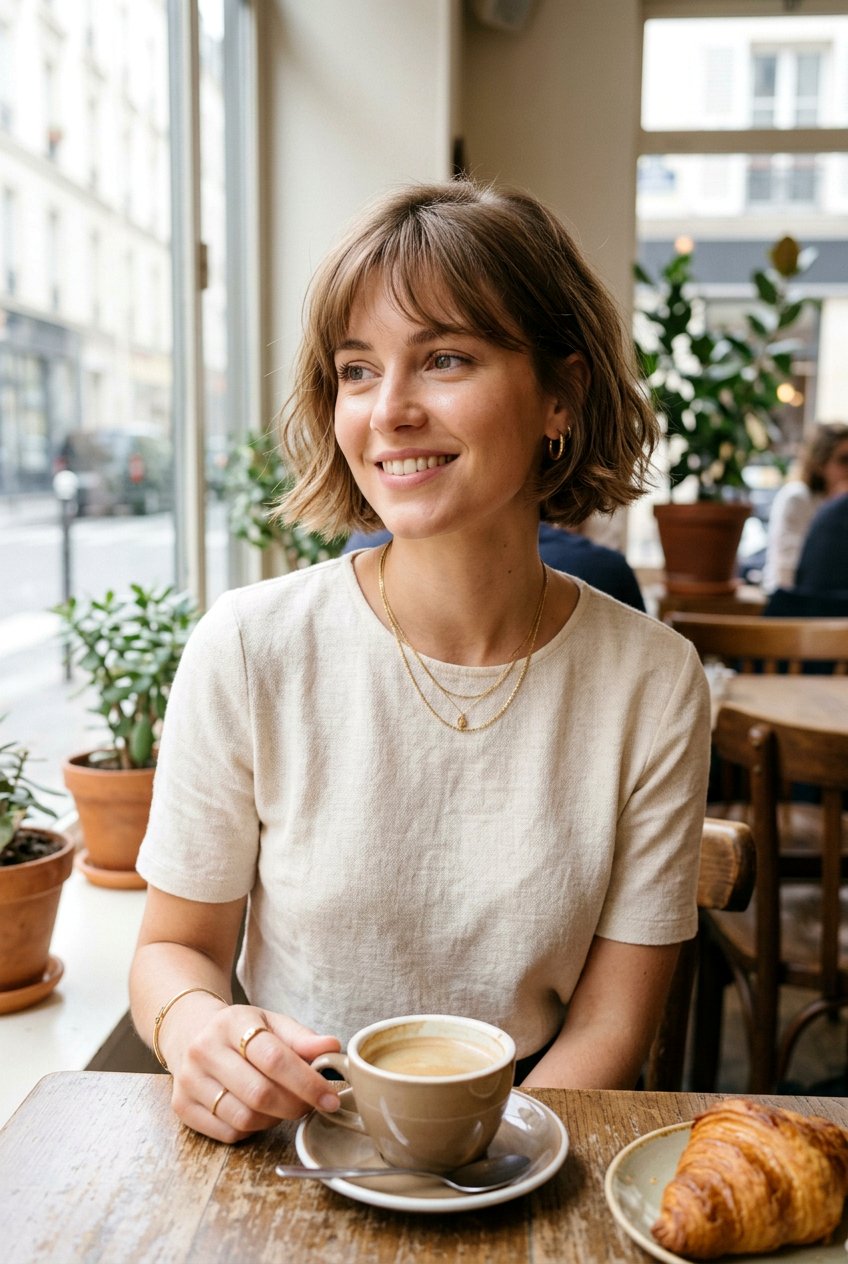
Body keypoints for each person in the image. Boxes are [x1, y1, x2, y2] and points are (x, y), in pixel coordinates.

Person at [129, 180, 711, 1144]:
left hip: (532, 1136)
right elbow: (173, 949)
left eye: (443, 358)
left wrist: (472, 1154)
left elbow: (613, 1022)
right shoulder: (249, 646)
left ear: (559, 396)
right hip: (292, 1130)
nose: (389, 410)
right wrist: (196, 1027)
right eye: (357, 371)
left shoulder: (651, 682)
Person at [344, 523, 646, 611]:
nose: (386, 415)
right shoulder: (603, 569)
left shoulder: (361, 542)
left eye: (447, 364)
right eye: (356, 372)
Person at [761, 422, 848, 594]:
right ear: (820, 463)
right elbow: (785, 573)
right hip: (800, 605)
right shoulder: (798, 498)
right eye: (844, 461)